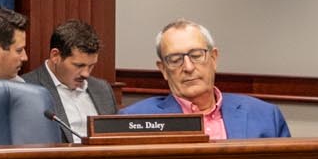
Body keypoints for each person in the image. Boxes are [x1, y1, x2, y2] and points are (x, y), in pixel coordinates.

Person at [122, 19, 291, 139]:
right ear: (163, 70)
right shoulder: (134, 120)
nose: (188, 67)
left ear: (214, 58)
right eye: (175, 60)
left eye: (196, 56)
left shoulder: (265, 115)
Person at [22, 19, 116, 143]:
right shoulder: (27, 88)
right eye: (79, 65)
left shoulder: (102, 89)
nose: (86, 74)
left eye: (91, 66)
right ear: (55, 56)